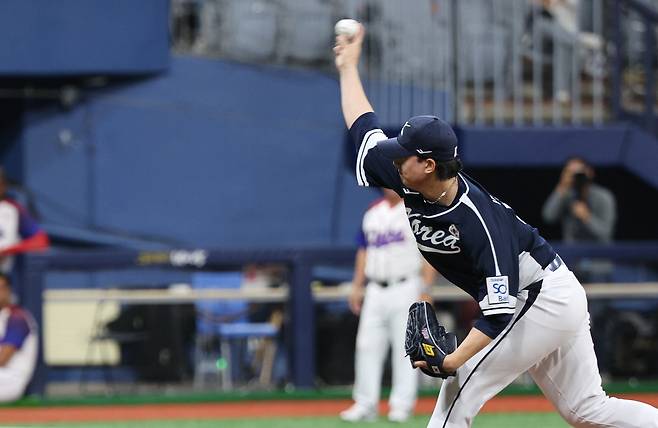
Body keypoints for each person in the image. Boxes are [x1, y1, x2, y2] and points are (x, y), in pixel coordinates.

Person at [334, 24, 658, 427]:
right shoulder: (407, 172)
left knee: (457, 391)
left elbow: (498, 313)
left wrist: (450, 360)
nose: (395, 159)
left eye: (405, 154)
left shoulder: (477, 222)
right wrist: (348, 67)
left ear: (429, 165)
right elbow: (363, 126)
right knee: (586, 410)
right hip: (548, 291)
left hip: (541, 298)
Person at [340, 188, 435, 423]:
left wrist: (426, 288)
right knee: (366, 346)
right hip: (374, 288)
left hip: (406, 284)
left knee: (405, 348)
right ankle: (365, 404)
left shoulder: (416, 210)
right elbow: (364, 250)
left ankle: (401, 405)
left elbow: (429, 251)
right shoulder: (373, 212)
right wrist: (356, 285)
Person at [542, 156, 616, 243]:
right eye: (570, 172)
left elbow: (606, 233)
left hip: (598, 253)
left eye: (580, 172)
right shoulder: (565, 195)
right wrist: (562, 186)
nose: (576, 176)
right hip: (573, 253)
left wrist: (587, 217)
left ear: (590, 172)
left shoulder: (604, 196)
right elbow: (548, 217)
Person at [0, 168, 50, 274]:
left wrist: (7, 251)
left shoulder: (13, 209)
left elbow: (40, 241)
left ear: (4, 186)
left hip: (5, 277)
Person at [0, 273, 38, 402]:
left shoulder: (18, 317)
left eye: (1, 288)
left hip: (10, 380)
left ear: (8, 290)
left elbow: (2, 359)